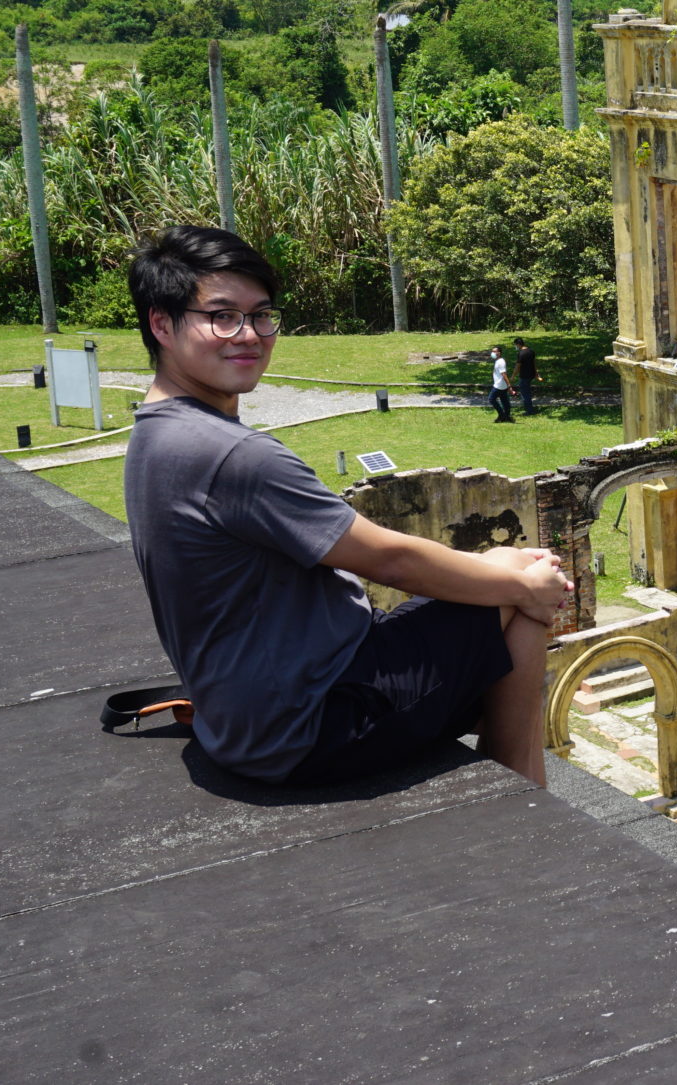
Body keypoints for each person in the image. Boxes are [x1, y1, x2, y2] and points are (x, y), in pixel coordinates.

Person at [122, 226, 571, 788]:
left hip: (248, 717)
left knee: (508, 580)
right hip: (312, 727)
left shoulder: (156, 432)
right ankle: (523, 787)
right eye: (222, 316)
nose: (250, 335)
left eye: (261, 315)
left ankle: (518, 777)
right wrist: (525, 591)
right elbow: (390, 562)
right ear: (162, 323)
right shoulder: (233, 455)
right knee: (528, 580)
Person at [513, 336, 541, 415]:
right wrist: (536, 373)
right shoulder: (531, 351)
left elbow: (517, 367)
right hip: (531, 375)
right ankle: (530, 408)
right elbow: (534, 363)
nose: (515, 347)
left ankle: (529, 410)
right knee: (527, 392)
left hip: (524, 376)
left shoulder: (521, 354)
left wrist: (513, 376)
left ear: (518, 344)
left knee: (525, 393)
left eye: (515, 345)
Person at [487, 345, 514, 423]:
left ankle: (502, 415)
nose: (493, 353)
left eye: (494, 351)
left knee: (491, 399)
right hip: (502, 385)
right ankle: (507, 416)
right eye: (492, 351)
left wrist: (509, 386)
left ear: (499, 353)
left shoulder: (501, 362)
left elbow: (504, 374)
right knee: (505, 401)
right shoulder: (498, 361)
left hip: (499, 385)